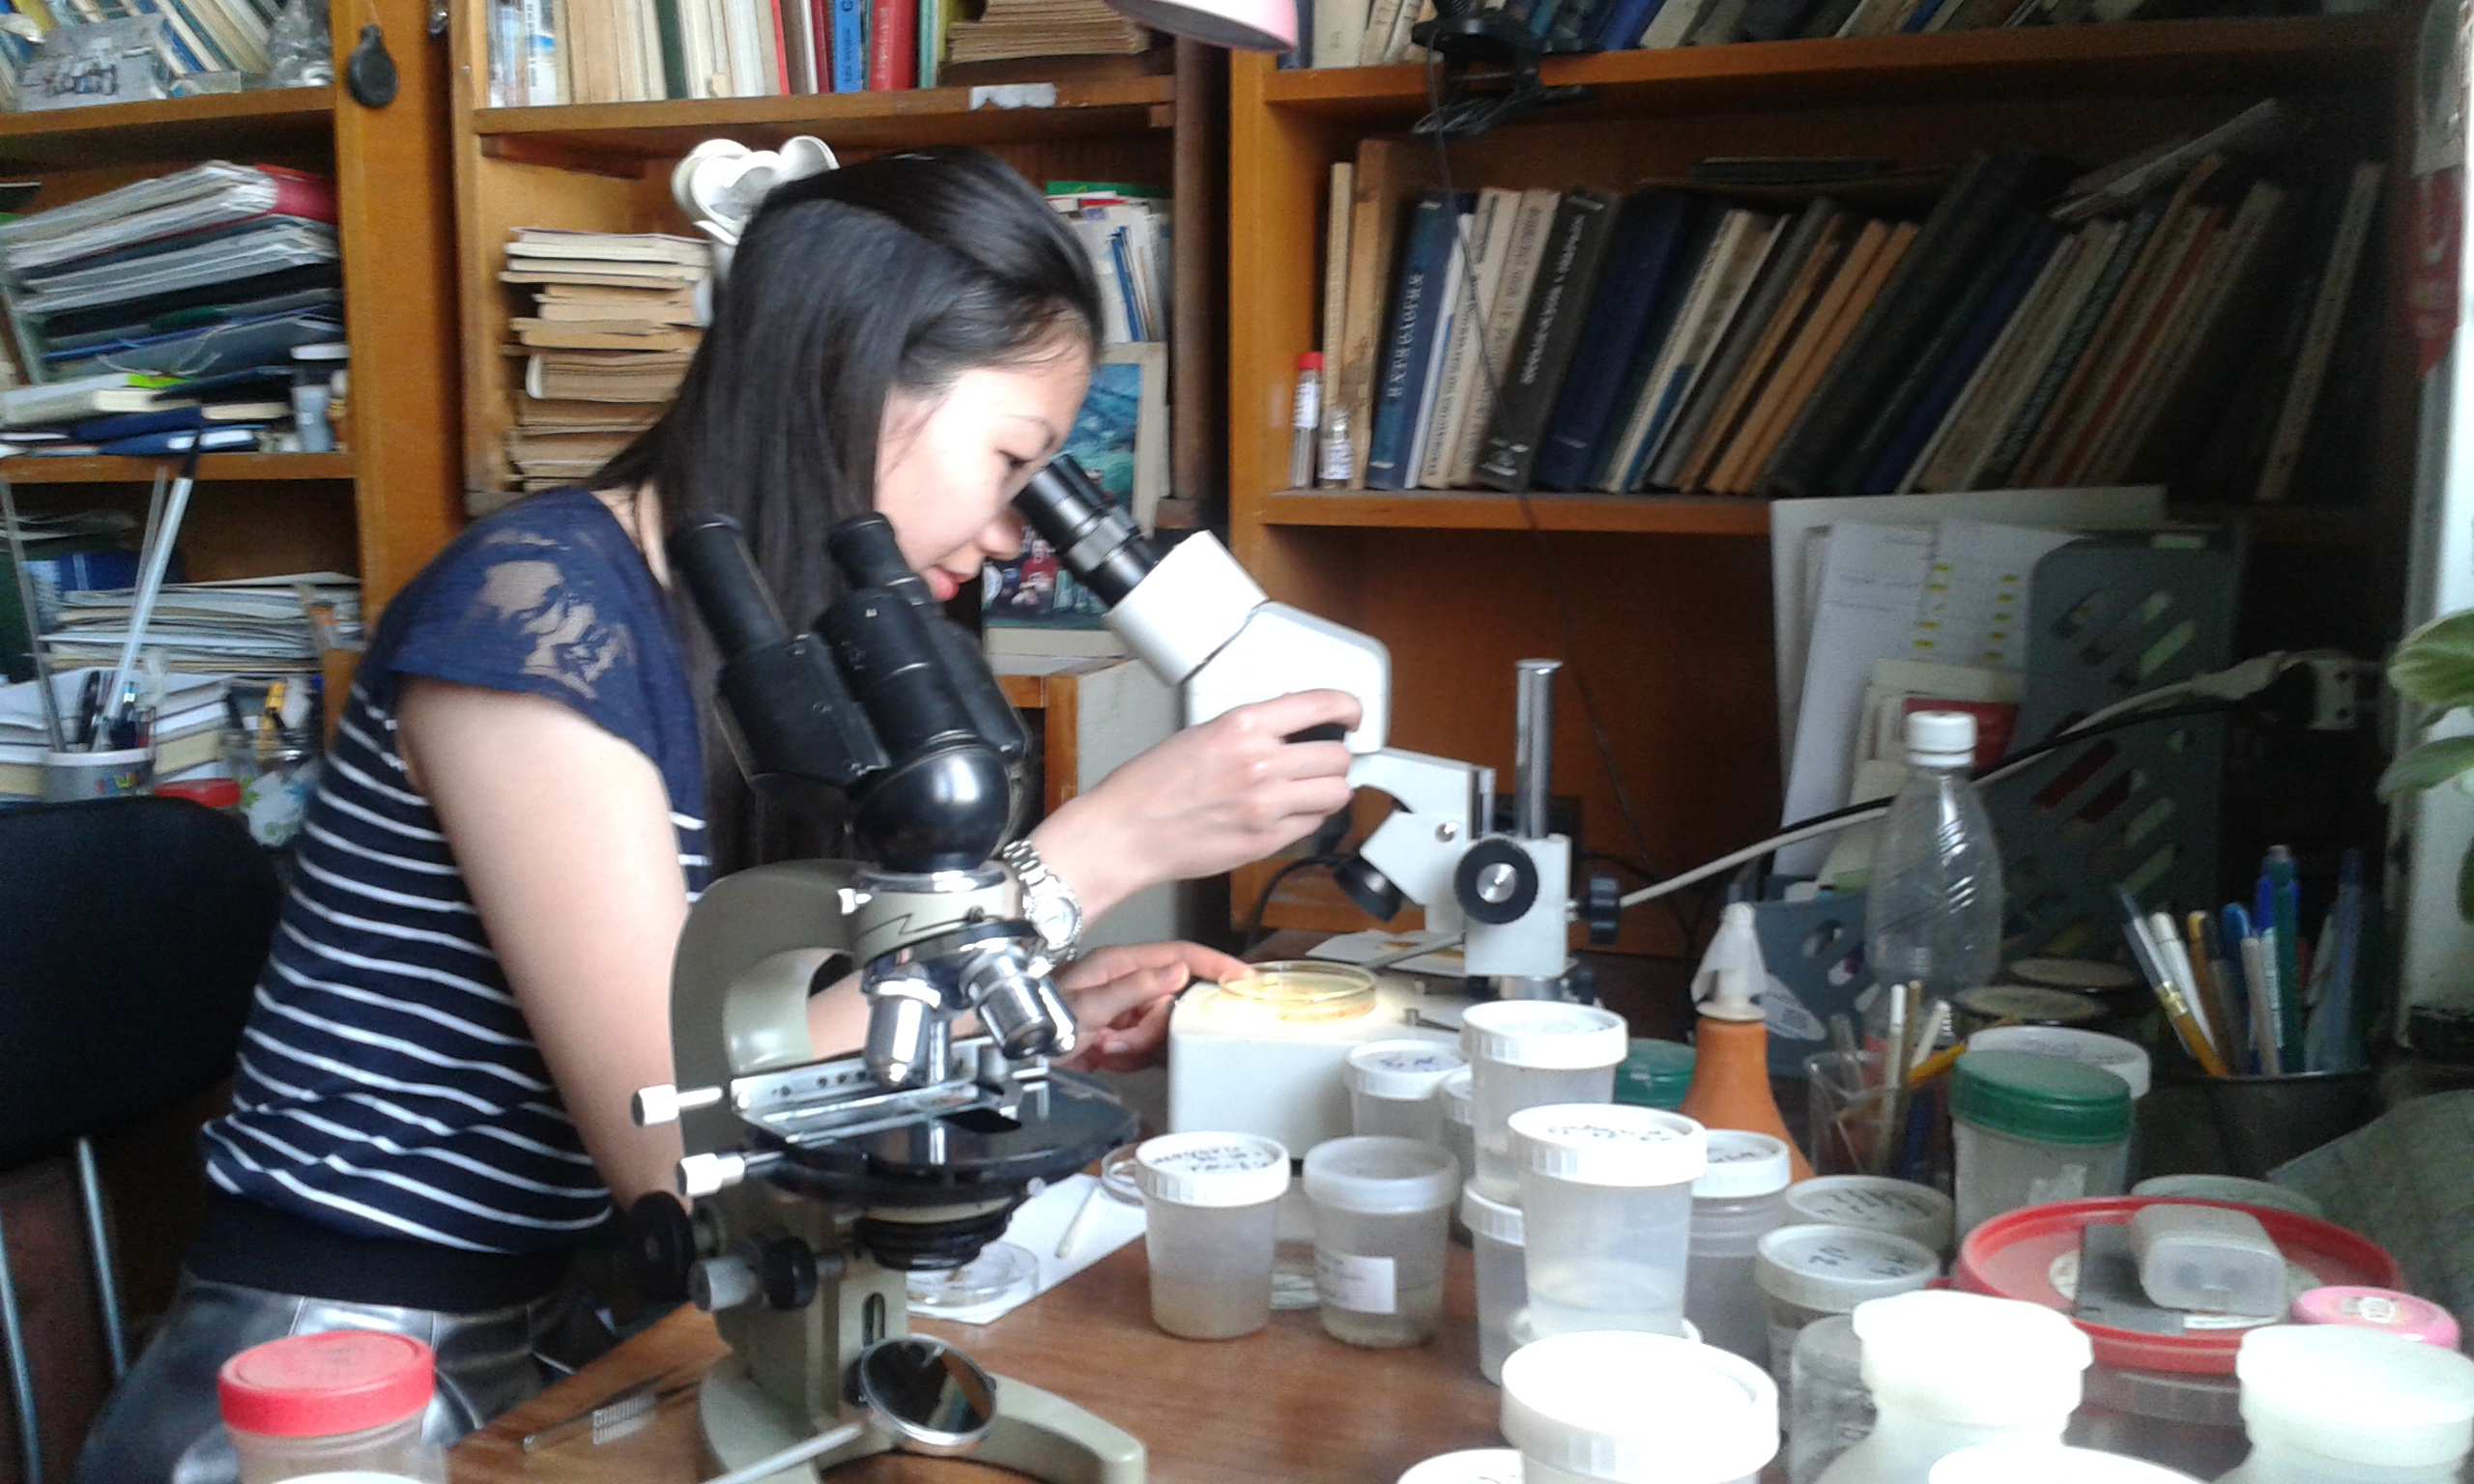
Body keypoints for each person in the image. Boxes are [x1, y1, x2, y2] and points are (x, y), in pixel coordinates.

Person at [76, 147, 1360, 1484]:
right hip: (349, 1372)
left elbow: (759, 1023)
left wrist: (991, 1012)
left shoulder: (765, 646)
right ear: (855, 377)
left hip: (585, 1326)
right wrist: (1104, 849)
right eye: (1012, 462)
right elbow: (682, 1136)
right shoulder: (529, 618)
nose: (1008, 535)